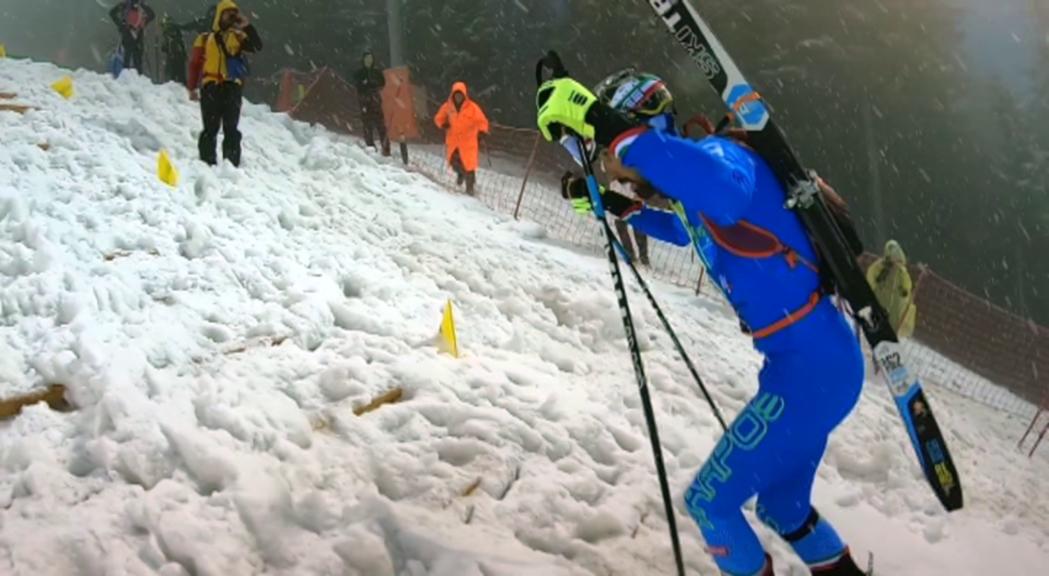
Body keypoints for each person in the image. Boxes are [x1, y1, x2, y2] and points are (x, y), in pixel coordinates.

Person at [539, 70, 868, 576]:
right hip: (815, 363)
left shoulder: (722, 157)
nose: (614, 166)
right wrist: (618, 206)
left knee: (710, 503)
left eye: (615, 154)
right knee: (783, 507)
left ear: (644, 126)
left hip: (811, 370)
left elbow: (719, 191)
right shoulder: (698, 185)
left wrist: (600, 121)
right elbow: (689, 228)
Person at [187, 0, 262, 167]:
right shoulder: (204, 39)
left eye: (234, 13)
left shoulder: (238, 37)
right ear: (219, 15)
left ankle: (231, 165)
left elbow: (257, 46)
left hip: (232, 87)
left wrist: (247, 26)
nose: (232, 17)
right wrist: (192, 87)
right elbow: (195, 64)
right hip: (211, 87)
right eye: (228, 13)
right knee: (210, 129)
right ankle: (207, 164)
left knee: (231, 129)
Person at [434, 82, 489, 196]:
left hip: (468, 142)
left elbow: (482, 121)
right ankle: (461, 174)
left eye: (460, 95)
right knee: (454, 162)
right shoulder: (447, 107)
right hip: (453, 141)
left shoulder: (473, 108)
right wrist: (443, 124)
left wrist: (482, 132)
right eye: (456, 95)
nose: (458, 97)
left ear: (464, 95)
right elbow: (438, 118)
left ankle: (470, 189)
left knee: (469, 166)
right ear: (453, 95)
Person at [866, 240, 917, 339]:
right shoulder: (880, 266)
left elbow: (906, 286)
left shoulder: (901, 272)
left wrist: (904, 291)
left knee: (891, 326)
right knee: (877, 324)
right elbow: (871, 277)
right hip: (880, 300)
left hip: (894, 306)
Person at [353, 50, 391, 156]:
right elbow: (357, 85)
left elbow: (382, 83)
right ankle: (371, 148)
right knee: (367, 126)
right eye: (367, 59)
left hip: (375, 100)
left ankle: (386, 149)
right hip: (365, 101)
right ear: (363, 60)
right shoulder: (359, 73)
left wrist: (373, 85)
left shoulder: (377, 72)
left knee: (381, 126)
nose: (369, 61)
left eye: (370, 59)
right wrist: (364, 85)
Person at [109, 0, 156, 75]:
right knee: (130, 58)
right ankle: (129, 78)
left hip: (136, 35)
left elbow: (152, 15)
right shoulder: (127, 5)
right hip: (129, 34)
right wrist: (122, 25)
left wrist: (121, 25)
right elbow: (112, 13)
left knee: (136, 60)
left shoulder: (137, 5)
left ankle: (135, 78)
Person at [159, 15, 188, 85]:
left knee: (173, 75)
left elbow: (166, 47)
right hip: (178, 56)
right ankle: (180, 87)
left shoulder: (169, 32)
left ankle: (175, 87)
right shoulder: (176, 32)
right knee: (180, 75)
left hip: (174, 56)